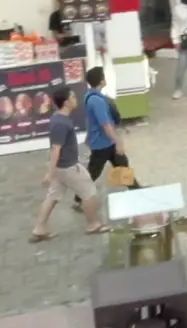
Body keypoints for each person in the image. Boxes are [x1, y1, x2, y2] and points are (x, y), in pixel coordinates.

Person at [33, 86, 107, 242]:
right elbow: (56, 149)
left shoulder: (58, 119)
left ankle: (39, 228)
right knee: (89, 191)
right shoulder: (61, 123)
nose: (75, 99)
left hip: (61, 168)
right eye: (72, 97)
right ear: (66, 102)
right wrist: (50, 173)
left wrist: (53, 171)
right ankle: (93, 224)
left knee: (53, 196)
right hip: (68, 167)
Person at [83, 66, 133, 189]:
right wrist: (118, 142)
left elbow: (91, 121)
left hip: (106, 141)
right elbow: (105, 124)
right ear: (101, 81)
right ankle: (80, 196)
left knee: (122, 164)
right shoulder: (97, 101)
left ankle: (133, 189)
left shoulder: (89, 96)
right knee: (94, 172)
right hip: (102, 144)